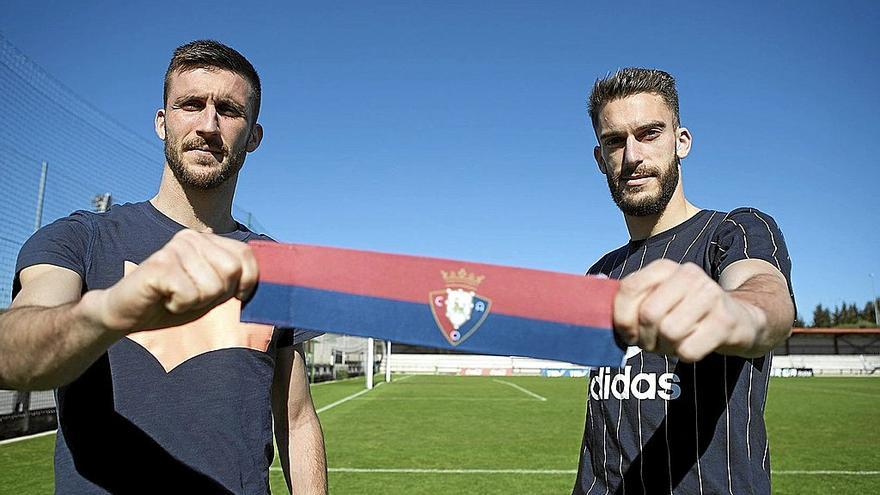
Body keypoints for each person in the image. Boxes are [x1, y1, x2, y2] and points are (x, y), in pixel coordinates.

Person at [0, 40, 327, 494]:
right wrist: (113, 310)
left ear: (253, 136)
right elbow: (12, 354)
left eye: (229, 110)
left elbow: (296, 418)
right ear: (162, 121)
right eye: (190, 104)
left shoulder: (274, 265)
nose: (208, 125)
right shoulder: (80, 239)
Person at [573, 68, 795, 495]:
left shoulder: (734, 231)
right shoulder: (599, 274)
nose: (632, 155)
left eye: (650, 133)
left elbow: (766, 297)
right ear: (601, 159)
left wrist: (732, 312)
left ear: (681, 142)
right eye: (615, 141)